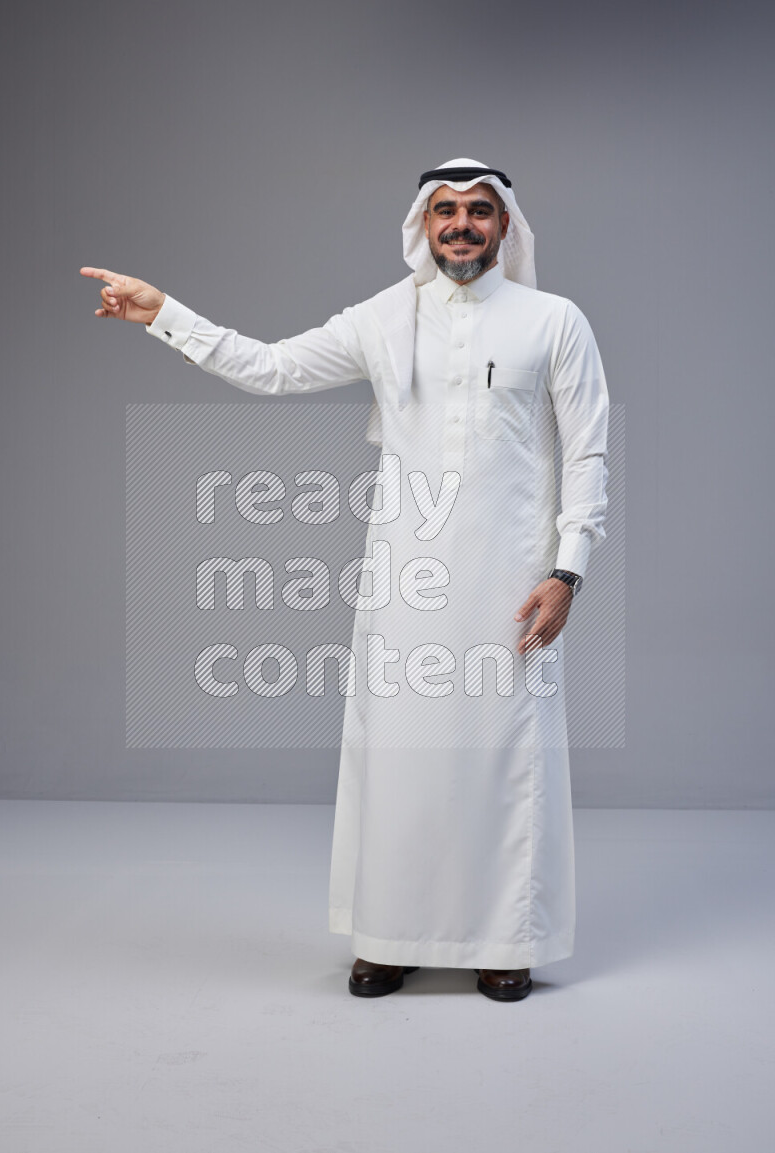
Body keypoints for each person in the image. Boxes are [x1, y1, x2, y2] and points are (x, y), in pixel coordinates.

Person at [81, 156, 609, 1003]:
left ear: (505, 226)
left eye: (479, 211)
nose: (462, 225)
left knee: (505, 757)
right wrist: (162, 315)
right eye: (446, 210)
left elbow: (586, 453)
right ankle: (388, 937)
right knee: (398, 758)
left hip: (514, 581)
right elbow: (270, 366)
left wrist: (568, 571)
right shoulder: (384, 318)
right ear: (422, 225)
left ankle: (507, 939)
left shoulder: (554, 321)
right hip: (407, 579)